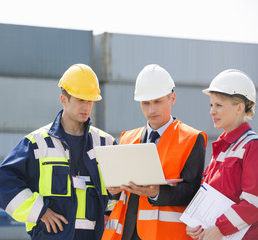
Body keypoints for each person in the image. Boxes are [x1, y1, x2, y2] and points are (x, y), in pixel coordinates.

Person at [0, 63, 116, 240]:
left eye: (90, 100)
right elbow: (5, 182)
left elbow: (120, 191)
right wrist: (40, 211)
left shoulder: (106, 143)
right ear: (63, 99)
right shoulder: (38, 143)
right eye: (80, 99)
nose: (86, 107)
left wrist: (109, 214)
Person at [102, 64, 207, 240]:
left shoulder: (192, 138)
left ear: (172, 98)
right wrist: (113, 190)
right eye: (146, 103)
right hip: (125, 233)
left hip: (165, 235)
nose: (151, 110)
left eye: (157, 102)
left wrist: (156, 192)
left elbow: (192, 192)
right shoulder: (127, 138)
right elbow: (118, 196)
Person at [186, 69, 258, 240]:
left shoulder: (252, 145)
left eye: (218, 105)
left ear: (239, 108)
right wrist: (194, 222)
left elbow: (254, 203)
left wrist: (220, 228)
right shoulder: (222, 146)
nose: (212, 111)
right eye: (211, 105)